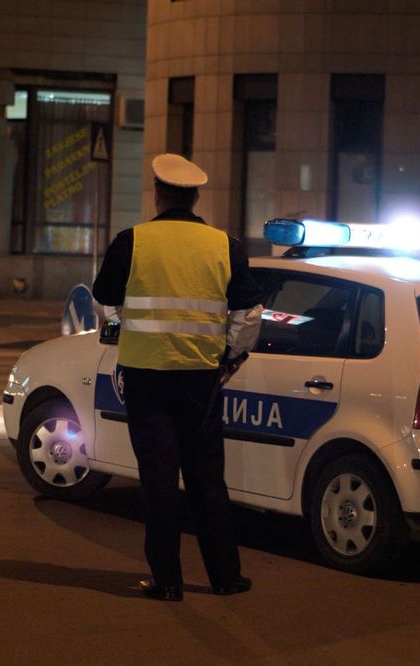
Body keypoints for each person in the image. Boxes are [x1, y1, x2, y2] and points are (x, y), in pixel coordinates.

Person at [93, 153, 263, 601]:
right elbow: (249, 314)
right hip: (202, 380)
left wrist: (118, 335)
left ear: (158, 193)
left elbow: (105, 301)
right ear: (195, 197)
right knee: (208, 480)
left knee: (158, 481)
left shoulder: (132, 242)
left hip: (147, 379)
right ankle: (226, 577)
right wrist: (229, 357)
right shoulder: (225, 245)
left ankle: (167, 581)